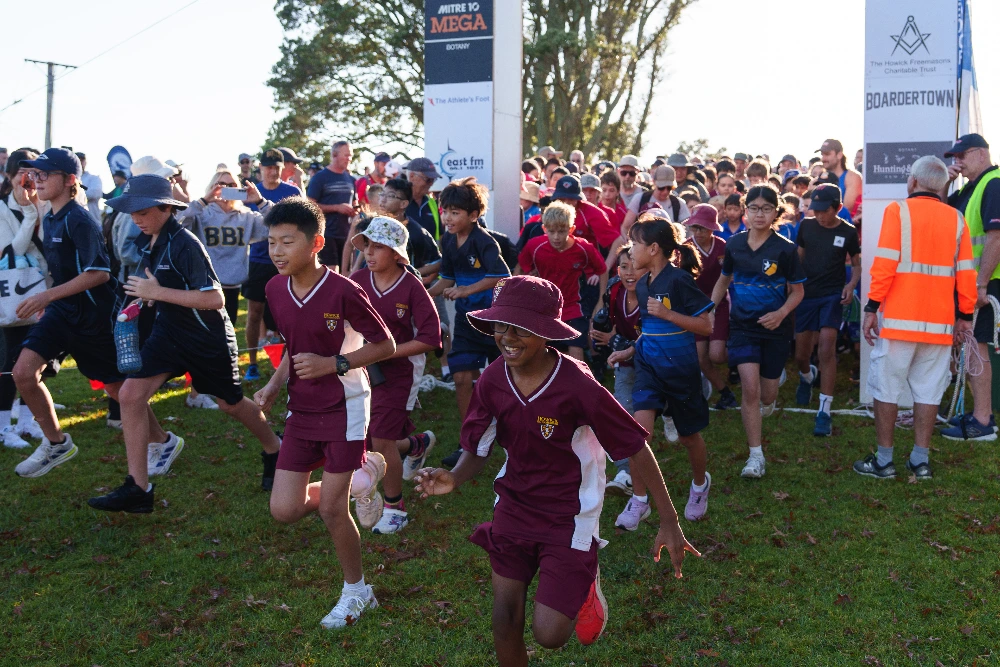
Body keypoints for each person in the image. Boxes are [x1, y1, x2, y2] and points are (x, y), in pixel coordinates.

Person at [413, 275, 700, 662]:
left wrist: (669, 519)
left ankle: (585, 579)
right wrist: (455, 476)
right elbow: (479, 447)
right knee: (504, 616)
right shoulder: (493, 379)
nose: (508, 337)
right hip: (514, 506)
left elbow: (636, 446)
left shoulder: (578, 384)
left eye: (521, 329)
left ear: (547, 333)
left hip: (570, 513)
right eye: (501, 326)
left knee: (549, 635)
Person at [85, 174, 283, 512]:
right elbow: (154, 287)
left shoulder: (185, 243)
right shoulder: (150, 240)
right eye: (130, 213)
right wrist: (141, 302)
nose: (135, 219)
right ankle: (139, 487)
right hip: (168, 334)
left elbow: (215, 300)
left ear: (165, 208)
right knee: (130, 395)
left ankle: (275, 449)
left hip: (206, 339)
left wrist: (156, 293)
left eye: (142, 212)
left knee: (231, 404)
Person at [254, 196, 396, 629]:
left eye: (287, 242)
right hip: (302, 406)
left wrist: (335, 364)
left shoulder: (344, 290)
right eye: (272, 242)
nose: (277, 251)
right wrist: (274, 385)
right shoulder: (274, 289)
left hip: (346, 406)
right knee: (284, 509)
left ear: (316, 243)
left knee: (334, 512)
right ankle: (360, 478)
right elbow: (294, 349)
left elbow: (385, 345)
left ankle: (357, 592)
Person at [855, 156, 976, 479]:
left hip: (898, 322)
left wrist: (871, 308)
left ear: (912, 182)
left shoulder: (898, 211)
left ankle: (884, 461)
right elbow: (966, 274)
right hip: (938, 325)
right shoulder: (957, 219)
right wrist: (965, 315)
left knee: (886, 388)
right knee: (929, 392)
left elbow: (885, 265)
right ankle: (919, 461)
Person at [12, 149, 125, 478]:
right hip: (62, 312)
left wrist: (46, 295)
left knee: (118, 390)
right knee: (23, 373)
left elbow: (99, 273)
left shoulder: (79, 218)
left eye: (45, 174)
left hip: (92, 316)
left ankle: (161, 440)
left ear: (70, 180)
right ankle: (56, 443)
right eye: (35, 174)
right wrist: (51, 299)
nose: (37, 179)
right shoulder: (50, 216)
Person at [610, 213, 714, 528]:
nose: (630, 249)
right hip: (648, 370)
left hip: (680, 371)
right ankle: (640, 500)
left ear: (654, 248)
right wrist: (631, 349)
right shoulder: (643, 284)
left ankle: (700, 485)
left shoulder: (680, 280)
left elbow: (707, 326)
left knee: (688, 436)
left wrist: (669, 314)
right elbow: (650, 330)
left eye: (635, 244)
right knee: (637, 435)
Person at [349, 217, 441, 534]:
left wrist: (387, 352)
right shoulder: (357, 279)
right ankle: (415, 445)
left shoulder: (412, 286)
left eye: (378, 247)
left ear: (396, 253)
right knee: (363, 435)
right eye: (367, 246)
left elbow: (431, 337)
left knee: (381, 439)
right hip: (358, 370)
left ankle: (395, 507)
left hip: (399, 373)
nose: (370, 253)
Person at [711, 184, 805, 479]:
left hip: (776, 329)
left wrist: (780, 314)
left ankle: (773, 393)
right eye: (753, 208)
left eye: (766, 208)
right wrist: (708, 309)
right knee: (749, 390)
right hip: (743, 327)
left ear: (776, 212)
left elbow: (798, 292)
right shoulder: (734, 245)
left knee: (766, 395)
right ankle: (756, 456)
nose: (759, 214)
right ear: (745, 209)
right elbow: (723, 282)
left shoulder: (786, 250)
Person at [428, 178, 510, 464]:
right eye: (445, 211)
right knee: (462, 378)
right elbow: (446, 277)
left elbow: (501, 275)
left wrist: (466, 290)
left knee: (507, 382)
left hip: (495, 323)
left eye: (455, 213)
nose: (447, 218)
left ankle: (513, 436)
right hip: (466, 322)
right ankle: (470, 442)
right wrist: (425, 295)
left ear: (474, 215)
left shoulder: (485, 242)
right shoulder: (448, 240)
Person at [177, 168, 271, 369]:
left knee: (225, 334)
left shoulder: (246, 216)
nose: (225, 189)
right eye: (220, 185)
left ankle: (217, 378)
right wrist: (204, 200)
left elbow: (279, 224)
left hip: (232, 285)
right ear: (212, 188)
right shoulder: (202, 213)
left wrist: (260, 201)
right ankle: (200, 386)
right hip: (205, 286)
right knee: (205, 335)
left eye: (231, 185)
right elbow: (178, 223)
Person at [940, 134, 1000, 440]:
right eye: (954, 158)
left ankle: (983, 421)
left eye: (961, 156)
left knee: (977, 350)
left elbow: (996, 237)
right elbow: (940, 214)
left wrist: (981, 284)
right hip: (971, 283)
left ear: (980, 153)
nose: (956, 163)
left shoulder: (994, 183)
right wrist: (944, 185)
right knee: (970, 348)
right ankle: (978, 413)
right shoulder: (969, 188)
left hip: (985, 284)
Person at [793, 184, 861, 436]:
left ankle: (824, 410)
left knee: (827, 346)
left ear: (838, 208)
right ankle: (806, 376)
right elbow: (798, 259)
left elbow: (857, 264)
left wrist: (851, 285)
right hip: (806, 295)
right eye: (816, 210)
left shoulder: (848, 231)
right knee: (802, 354)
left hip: (832, 295)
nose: (819, 215)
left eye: (824, 210)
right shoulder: (806, 226)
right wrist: (792, 286)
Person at [0, 149, 48, 448]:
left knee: (37, 359)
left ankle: (28, 423)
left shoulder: (44, 204)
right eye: (21, 170)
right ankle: (4, 426)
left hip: (43, 289)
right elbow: (13, 251)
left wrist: (35, 209)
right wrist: (29, 213)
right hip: (12, 295)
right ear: (9, 174)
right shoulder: (3, 209)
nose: (26, 177)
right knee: (9, 361)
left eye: (33, 171)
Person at [517, 201, 606, 360]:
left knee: (576, 350)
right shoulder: (535, 246)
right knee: (543, 353)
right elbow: (521, 268)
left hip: (573, 306)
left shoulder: (583, 248)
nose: (556, 237)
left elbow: (602, 270)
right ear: (544, 229)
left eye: (561, 231)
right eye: (551, 231)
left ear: (571, 229)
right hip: (544, 307)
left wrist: (600, 300)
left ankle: (579, 383)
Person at [243, 149, 302, 382]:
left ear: (282, 168)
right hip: (258, 259)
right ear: (260, 169)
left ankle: (288, 366)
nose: (272, 171)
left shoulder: (292, 191)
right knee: (254, 313)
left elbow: (301, 222)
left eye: (276, 167)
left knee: (289, 314)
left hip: (287, 260)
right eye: (268, 167)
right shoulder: (249, 192)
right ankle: (253, 364)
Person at [684, 204, 737, 410]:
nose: (699, 232)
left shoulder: (723, 247)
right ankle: (725, 392)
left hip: (719, 304)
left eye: (703, 228)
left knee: (717, 354)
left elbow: (730, 276)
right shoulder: (685, 249)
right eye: (695, 227)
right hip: (695, 308)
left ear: (712, 228)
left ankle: (744, 361)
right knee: (700, 357)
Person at [307, 140, 357, 270]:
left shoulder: (351, 179)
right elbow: (309, 205)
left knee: (347, 273)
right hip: (327, 233)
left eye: (350, 155)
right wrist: (337, 208)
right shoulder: (320, 177)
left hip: (347, 234)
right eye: (346, 155)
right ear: (334, 155)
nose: (349, 159)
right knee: (331, 273)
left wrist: (354, 210)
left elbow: (355, 202)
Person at [817, 138, 861, 222]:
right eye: (822, 155)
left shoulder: (852, 177)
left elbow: (846, 210)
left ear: (839, 155)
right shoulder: (820, 177)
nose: (823, 158)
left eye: (827, 154)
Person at [404, 157, 443, 240]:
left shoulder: (432, 202)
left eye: (433, 180)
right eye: (428, 179)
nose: (431, 184)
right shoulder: (398, 202)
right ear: (411, 176)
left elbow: (440, 235)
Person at [75, 152, 103, 223]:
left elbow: (95, 193)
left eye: (82, 160)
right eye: (78, 160)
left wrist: (73, 192)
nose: (80, 163)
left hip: (92, 222)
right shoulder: (67, 179)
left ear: (85, 162)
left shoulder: (94, 178)